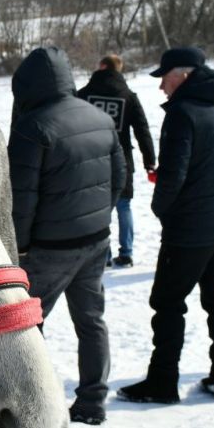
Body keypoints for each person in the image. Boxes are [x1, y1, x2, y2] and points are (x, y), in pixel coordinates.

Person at [119, 47, 214, 405]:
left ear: (185, 75)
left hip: (191, 228)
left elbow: (172, 177)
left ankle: (162, 382)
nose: (161, 86)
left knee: (167, 303)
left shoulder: (183, 113)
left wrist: (164, 211)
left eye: (165, 77)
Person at [8, 46, 126, 426]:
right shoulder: (98, 115)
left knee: (25, 329)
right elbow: (119, 178)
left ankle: (31, 407)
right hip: (95, 240)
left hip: (48, 249)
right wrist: (100, 218)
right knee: (91, 321)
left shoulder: (33, 126)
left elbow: (21, 198)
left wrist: (18, 246)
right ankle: (93, 399)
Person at [77, 54, 157, 268]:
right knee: (124, 206)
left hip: (93, 160)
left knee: (99, 210)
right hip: (122, 161)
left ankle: (104, 256)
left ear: (102, 66)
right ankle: (127, 252)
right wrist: (150, 160)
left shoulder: (83, 95)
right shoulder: (128, 96)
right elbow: (142, 130)